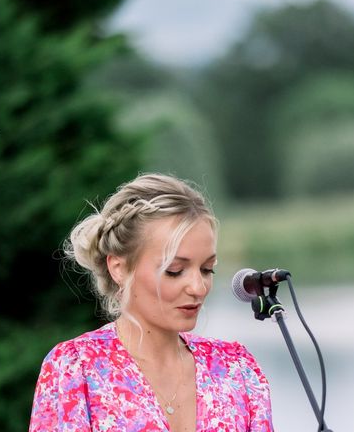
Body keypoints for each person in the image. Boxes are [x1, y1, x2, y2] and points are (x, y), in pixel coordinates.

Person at [29, 173, 274, 432]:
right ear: (119, 268)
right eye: (174, 270)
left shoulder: (236, 369)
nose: (198, 287)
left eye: (207, 269)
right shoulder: (75, 369)